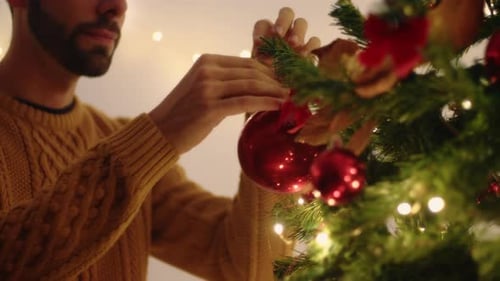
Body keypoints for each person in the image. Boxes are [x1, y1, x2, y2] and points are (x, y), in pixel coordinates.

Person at [0, 0, 320, 280]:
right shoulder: (134, 149)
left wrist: (269, 130)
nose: (118, 6)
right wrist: (160, 133)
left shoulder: (117, 141)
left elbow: (251, 270)